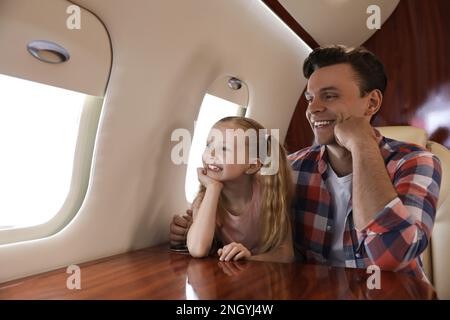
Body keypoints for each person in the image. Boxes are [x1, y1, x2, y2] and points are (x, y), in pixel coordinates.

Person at [171, 46, 442, 281]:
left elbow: (391, 258)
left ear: (371, 103)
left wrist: (362, 145)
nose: (313, 109)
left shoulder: (416, 162)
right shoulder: (292, 168)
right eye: (310, 98)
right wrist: (194, 224)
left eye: (330, 96)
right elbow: (252, 218)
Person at [186, 116, 294, 262]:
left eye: (224, 149)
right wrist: (213, 188)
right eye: (208, 145)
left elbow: (286, 254)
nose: (210, 154)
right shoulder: (205, 198)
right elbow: (197, 249)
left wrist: (248, 259)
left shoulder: (269, 195)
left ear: (252, 165)